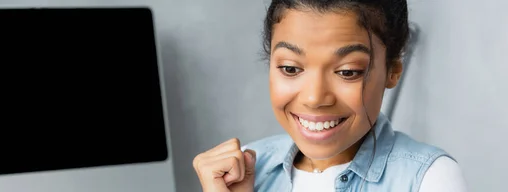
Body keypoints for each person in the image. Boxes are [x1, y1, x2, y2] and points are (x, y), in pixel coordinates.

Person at [192, 0, 468, 191]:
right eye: (290, 68)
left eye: (348, 72)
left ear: (393, 71)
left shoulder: (429, 179)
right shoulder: (243, 171)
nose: (314, 98)